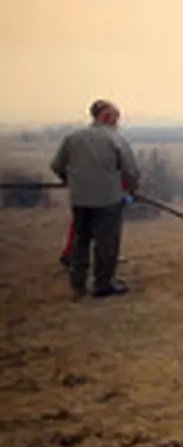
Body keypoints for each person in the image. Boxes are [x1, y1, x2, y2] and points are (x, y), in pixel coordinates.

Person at [49, 100, 140, 298]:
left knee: (80, 241)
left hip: (80, 200)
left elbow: (56, 166)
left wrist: (72, 181)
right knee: (106, 244)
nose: (118, 121)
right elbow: (130, 170)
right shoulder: (115, 140)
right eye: (116, 117)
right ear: (106, 116)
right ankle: (103, 284)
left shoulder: (73, 138)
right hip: (108, 200)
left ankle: (78, 285)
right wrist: (132, 190)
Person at [59, 175, 131, 268]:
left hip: (85, 193)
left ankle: (71, 255)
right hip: (106, 197)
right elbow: (125, 172)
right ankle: (105, 260)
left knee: (81, 226)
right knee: (106, 229)